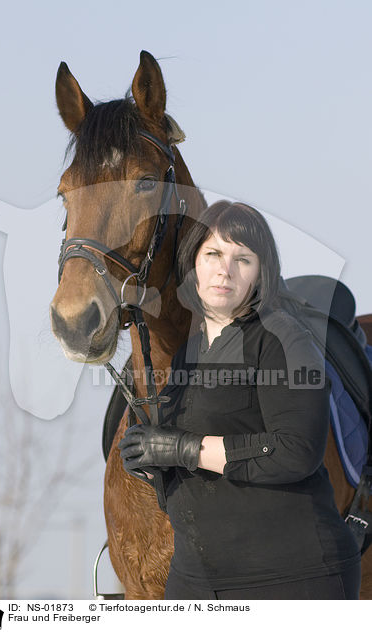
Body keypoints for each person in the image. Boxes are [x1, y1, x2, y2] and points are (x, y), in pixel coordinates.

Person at [118, 200, 362, 600]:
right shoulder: (189, 353)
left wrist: (185, 447)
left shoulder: (284, 338)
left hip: (291, 579)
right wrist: (151, 463)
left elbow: (295, 451)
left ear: (260, 275)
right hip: (196, 583)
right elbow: (194, 475)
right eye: (213, 253)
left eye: (242, 259)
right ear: (193, 262)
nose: (224, 270)